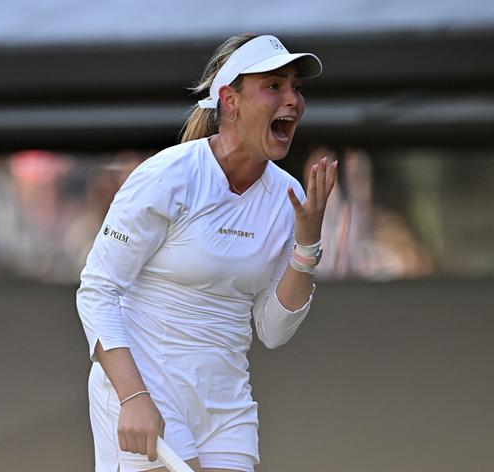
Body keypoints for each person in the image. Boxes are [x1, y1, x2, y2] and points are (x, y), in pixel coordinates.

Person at [76, 33, 335, 472]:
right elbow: (96, 290)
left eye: (296, 87)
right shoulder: (167, 176)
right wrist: (133, 398)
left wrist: (307, 243)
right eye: (274, 86)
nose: (292, 99)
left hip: (226, 405)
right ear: (230, 102)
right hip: (143, 387)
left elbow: (273, 330)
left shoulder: (288, 195)